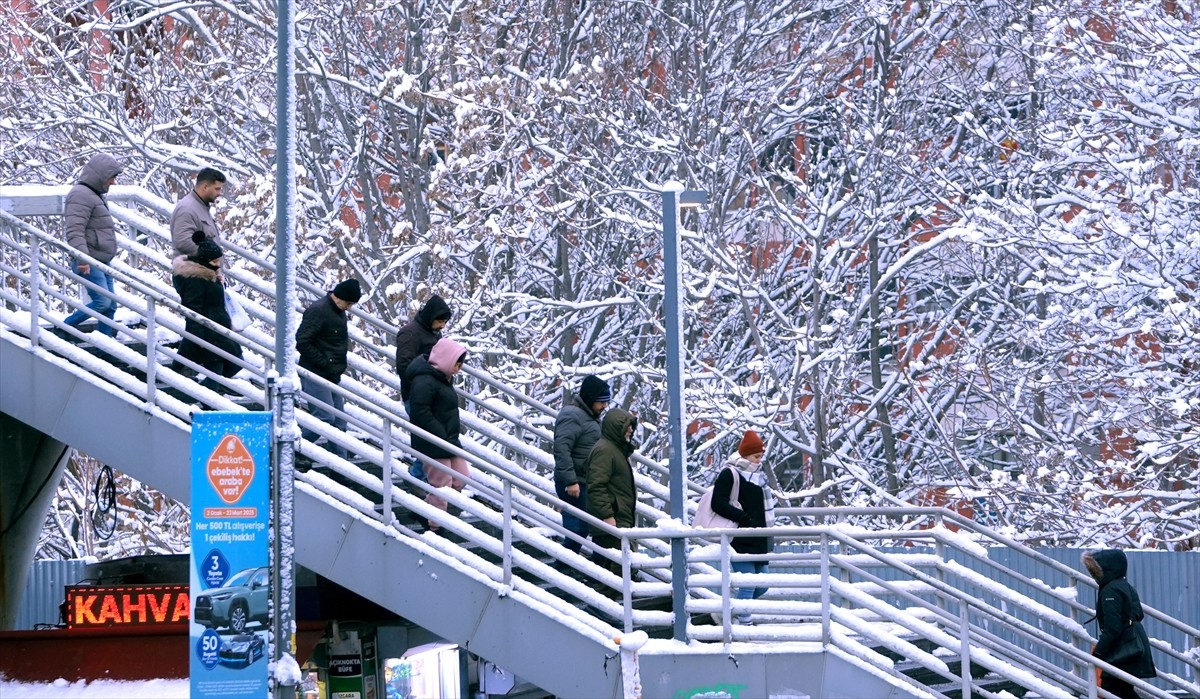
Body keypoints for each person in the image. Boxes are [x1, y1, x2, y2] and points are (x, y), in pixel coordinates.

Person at [709, 430, 777, 625]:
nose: (759, 460)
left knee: (762, 586)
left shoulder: (759, 477)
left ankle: (727, 614)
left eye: (761, 456)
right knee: (748, 585)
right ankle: (745, 625)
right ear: (745, 454)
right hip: (740, 540)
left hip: (759, 540)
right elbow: (718, 503)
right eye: (756, 456)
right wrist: (743, 518)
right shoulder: (730, 474)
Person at [406, 337, 469, 530]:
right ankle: (434, 526)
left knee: (461, 477)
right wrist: (440, 434)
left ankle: (424, 509)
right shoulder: (425, 380)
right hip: (432, 442)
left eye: (460, 364)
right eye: (456, 363)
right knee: (442, 485)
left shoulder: (442, 378)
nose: (458, 368)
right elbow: (420, 412)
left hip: (448, 441)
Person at [296, 279, 362, 458]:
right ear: (339, 297)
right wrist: (324, 363)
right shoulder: (318, 311)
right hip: (315, 373)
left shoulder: (336, 311)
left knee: (339, 423)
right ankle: (291, 448)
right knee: (325, 418)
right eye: (348, 303)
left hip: (331, 374)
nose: (349, 308)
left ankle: (341, 467)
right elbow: (302, 341)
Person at [61, 153, 123, 338]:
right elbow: (75, 230)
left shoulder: (94, 194)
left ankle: (105, 343)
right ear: (100, 175)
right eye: (111, 177)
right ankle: (63, 328)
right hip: (89, 260)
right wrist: (82, 259)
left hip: (101, 260)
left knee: (111, 304)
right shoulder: (81, 195)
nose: (113, 182)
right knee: (103, 302)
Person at [171, 238, 243, 392]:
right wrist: (198, 335)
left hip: (217, 327)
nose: (218, 265)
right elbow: (192, 307)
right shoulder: (195, 279)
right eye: (215, 261)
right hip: (207, 330)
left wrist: (218, 282)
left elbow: (213, 297)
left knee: (234, 362)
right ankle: (207, 401)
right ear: (205, 260)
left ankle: (205, 394)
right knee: (218, 366)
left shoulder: (208, 274)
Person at [1083, 549, 1157, 698]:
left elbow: (1113, 628)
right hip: (1132, 645)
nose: (1092, 574)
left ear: (1107, 568)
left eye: (1094, 570)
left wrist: (1098, 653)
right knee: (1121, 689)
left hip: (1122, 649)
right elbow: (1138, 613)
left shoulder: (1110, 590)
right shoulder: (1123, 585)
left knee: (1113, 687)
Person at [395, 294, 453, 480]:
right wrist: (430, 376)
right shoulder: (410, 333)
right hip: (417, 396)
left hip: (434, 396)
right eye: (440, 321)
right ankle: (415, 478)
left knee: (433, 441)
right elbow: (404, 366)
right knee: (429, 441)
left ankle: (419, 479)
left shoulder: (434, 334)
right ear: (431, 317)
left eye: (445, 322)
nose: (443, 325)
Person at [552, 375, 611, 557]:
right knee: (577, 529)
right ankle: (563, 566)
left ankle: (567, 566)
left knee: (584, 527)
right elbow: (561, 449)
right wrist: (570, 481)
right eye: (601, 402)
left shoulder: (590, 417)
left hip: (585, 482)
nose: (604, 407)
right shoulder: (573, 415)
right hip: (574, 483)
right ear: (590, 398)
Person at [585, 408, 639, 578]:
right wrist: (608, 516)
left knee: (616, 572)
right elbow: (596, 486)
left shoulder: (615, 450)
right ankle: (600, 604)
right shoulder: (605, 450)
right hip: (612, 522)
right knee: (613, 574)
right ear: (616, 427)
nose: (631, 430)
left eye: (631, 426)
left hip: (618, 520)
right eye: (627, 426)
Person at [171, 167, 226, 257]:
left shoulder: (201, 206)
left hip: (204, 270)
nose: (220, 193)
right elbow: (182, 241)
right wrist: (211, 256)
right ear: (205, 187)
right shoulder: (187, 209)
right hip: (193, 270)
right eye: (217, 189)